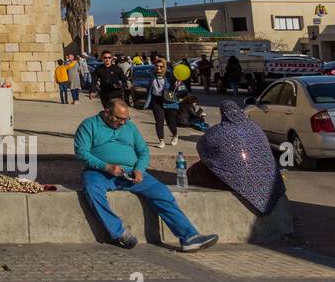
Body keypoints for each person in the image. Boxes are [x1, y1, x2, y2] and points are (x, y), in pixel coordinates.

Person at [73, 97, 218, 252]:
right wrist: (106, 166)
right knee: (92, 190)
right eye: (119, 118)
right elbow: (81, 152)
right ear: (107, 112)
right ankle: (118, 234)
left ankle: (189, 237)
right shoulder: (89, 125)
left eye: (126, 118)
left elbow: (143, 151)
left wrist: (140, 170)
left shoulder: (130, 127)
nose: (123, 122)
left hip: (130, 172)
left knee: (161, 192)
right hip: (99, 172)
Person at [189, 100, 286, 215]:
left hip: (238, 182)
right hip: (268, 182)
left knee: (195, 171)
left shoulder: (218, 131)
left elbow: (201, 147)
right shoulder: (255, 128)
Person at [144, 58, 181, 148]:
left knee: (170, 121)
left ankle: (175, 135)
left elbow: (175, 87)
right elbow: (149, 87)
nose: (159, 68)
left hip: (168, 100)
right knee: (159, 121)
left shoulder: (169, 75)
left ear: (164, 67)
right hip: (156, 100)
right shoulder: (152, 75)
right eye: (157, 66)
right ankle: (161, 140)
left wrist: (177, 85)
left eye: (161, 66)